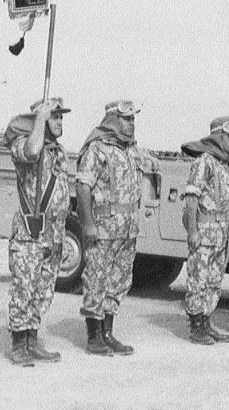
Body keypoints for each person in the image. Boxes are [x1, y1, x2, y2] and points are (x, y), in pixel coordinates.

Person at [4, 97, 72, 366]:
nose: (59, 121)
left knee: (43, 290)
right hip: (29, 234)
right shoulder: (24, 144)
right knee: (24, 288)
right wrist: (39, 122)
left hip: (53, 233)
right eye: (53, 116)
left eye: (60, 117)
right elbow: (32, 153)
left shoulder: (58, 151)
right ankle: (19, 344)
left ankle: (32, 340)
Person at [76, 100, 144, 356]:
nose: (131, 124)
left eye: (133, 120)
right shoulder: (97, 149)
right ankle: (94, 336)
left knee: (119, 282)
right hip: (103, 230)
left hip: (127, 232)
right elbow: (83, 186)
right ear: (112, 120)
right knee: (97, 280)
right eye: (126, 119)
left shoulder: (132, 151)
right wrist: (88, 224)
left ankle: (108, 332)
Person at [181, 116, 229, 345]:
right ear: (218, 136)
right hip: (205, 231)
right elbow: (191, 196)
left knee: (214, 280)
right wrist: (192, 231)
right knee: (199, 278)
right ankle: (196, 326)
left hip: (221, 233)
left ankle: (206, 322)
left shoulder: (226, 164)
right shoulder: (204, 162)